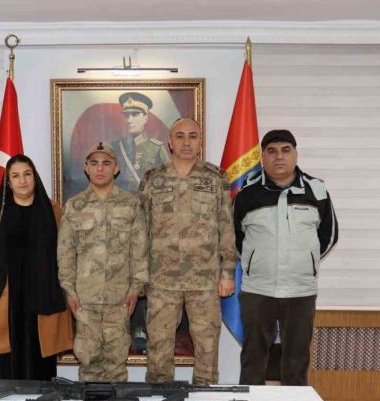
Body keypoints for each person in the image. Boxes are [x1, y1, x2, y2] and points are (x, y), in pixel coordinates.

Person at [234, 129, 338, 386]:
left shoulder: (317, 190)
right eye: (271, 151)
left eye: (285, 150)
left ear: (295, 154)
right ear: (262, 157)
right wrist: (255, 263)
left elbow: (329, 236)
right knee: (253, 358)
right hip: (258, 289)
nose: (279, 157)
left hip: (300, 289)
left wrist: (306, 261)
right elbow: (235, 237)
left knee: (296, 359)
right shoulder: (247, 192)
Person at [140, 118, 236, 385]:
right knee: (158, 345)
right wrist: (140, 275)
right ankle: (159, 398)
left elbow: (226, 227)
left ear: (199, 142)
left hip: (204, 278)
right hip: (162, 279)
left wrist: (228, 272)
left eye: (192, 136)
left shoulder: (215, 178)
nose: (186, 142)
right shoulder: (153, 179)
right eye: (179, 136)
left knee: (207, 344)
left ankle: (205, 398)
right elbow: (141, 231)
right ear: (170, 142)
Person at [0, 154, 73, 380]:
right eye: (16, 176)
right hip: (6, 294)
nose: (23, 180)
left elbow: (66, 249)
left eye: (27, 174)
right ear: (8, 182)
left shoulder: (52, 209)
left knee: (40, 355)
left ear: (35, 177)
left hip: (42, 291)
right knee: (5, 357)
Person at [58, 142, 148, 381]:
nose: (100, 169)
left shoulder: (131, 205)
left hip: (120, 299)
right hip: (85, 299)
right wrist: (69, 291)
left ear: (116, 168)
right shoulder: (75, 206)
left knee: (116, 363)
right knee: (88, 362)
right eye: (94, 163)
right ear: (86, 168)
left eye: (106, 163)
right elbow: (65, 253)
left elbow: (139, 251)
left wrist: (136, 289)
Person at [111, 92, 170, 193]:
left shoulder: (157, 148)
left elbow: (168, 182)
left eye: (135, 115)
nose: (129, 120)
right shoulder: (115, 146)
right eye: (127, 115)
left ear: (145, 118)